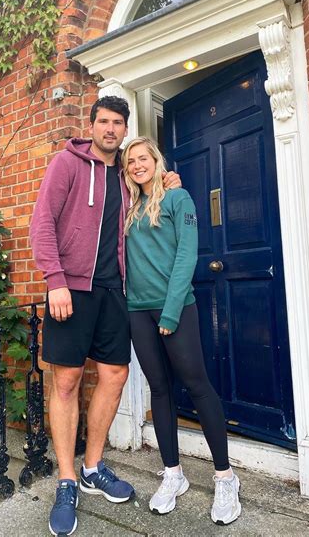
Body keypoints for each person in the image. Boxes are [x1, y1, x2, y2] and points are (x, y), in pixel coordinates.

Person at [30, 97, 180, 536]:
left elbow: (154, 195)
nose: (111, 129)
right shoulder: (67, 163)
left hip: (115, 290)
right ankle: (66, 479)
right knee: (66, 380)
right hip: (71, 289)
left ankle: (93, 466)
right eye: (104, 122)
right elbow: (42, 223)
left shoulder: (126, 175)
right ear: (91, 125)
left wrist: (169, 180)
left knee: (114, 375)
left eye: (118, 123)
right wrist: (55, 279)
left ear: (125, 127)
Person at [122, 136, 241, 526]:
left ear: (156, 160)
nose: (137, 164)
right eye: (130, 161)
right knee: (159, 389)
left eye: (143, 158)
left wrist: (170, 313)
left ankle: (225, 477)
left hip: (176, 308)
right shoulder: (130, 205)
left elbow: (187, 255)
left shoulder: (179, 199)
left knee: (197, 384)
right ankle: (173, 473)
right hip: (138, 310)